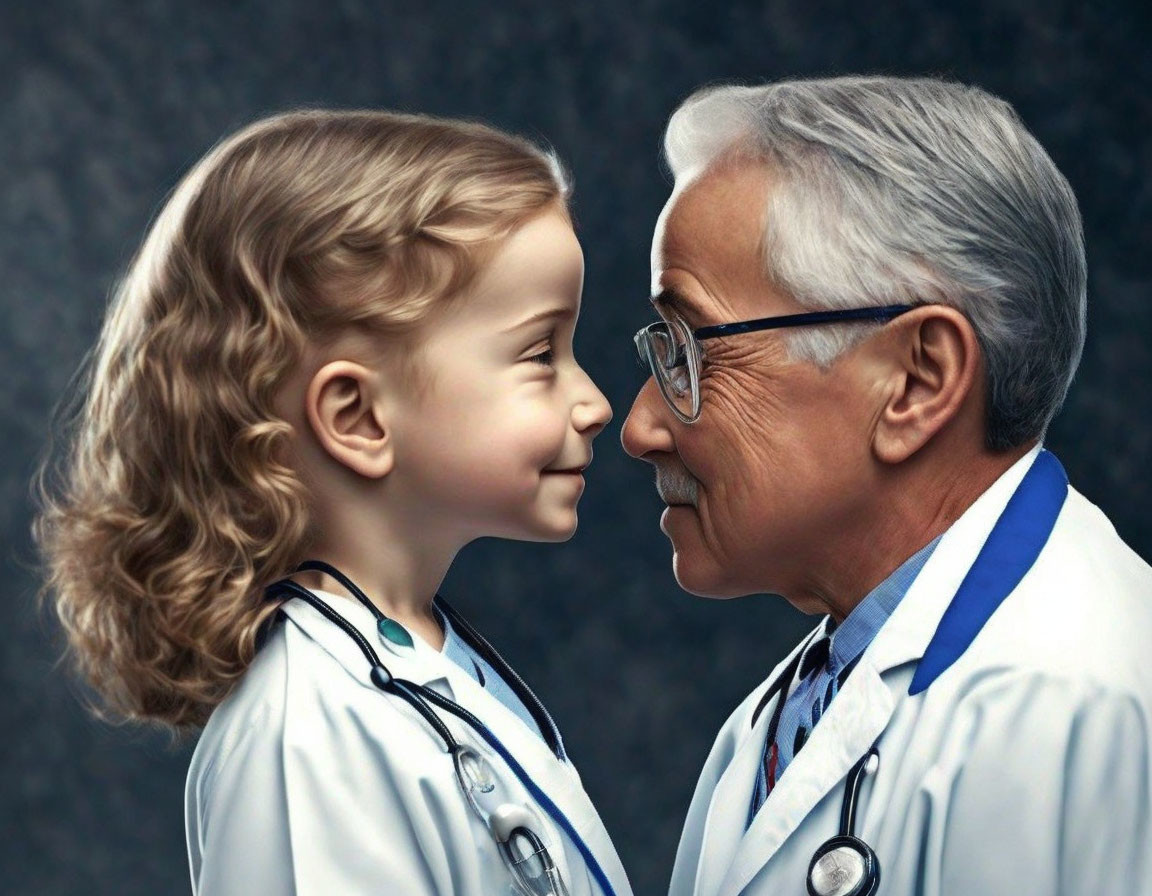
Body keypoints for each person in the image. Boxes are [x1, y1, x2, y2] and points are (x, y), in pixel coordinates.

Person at [33, 109, 632, 896]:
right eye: (539, 354)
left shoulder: (422, 666)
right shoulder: (305, 738)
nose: (595, 404)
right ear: (357, 417)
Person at [622, 76, 1152, 896]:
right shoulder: (784, 717)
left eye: (694, 352)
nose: (641, 425)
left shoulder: (1077, 712)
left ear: (915, 380)